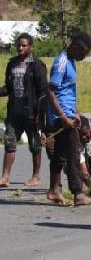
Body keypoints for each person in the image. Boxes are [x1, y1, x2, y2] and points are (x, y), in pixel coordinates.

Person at [45, 31, 91, 206]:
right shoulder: (61, 62)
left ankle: (54, 190)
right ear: (75, 47)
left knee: (59, 155)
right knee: (74, 154)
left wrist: (76, 112)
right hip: (62, 118)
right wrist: (63, 116)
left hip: (69, 115)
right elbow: (51, 91)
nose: (84, 56)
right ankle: (78, 193)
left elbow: (67, 91)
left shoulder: (71, 61)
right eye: (83, 52)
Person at [0, 33, 48, 188]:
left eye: (24, 45)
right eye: (18, 45)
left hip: (31, 113)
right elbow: (8, 88)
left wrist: (40, 114)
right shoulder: (12, 64)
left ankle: (36, 176)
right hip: (14, 112)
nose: (20, 48)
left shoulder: (37, 66)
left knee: (34, 145)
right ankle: (5, 177)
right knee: (10, 143)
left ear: (31, 46)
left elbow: (43, 91)